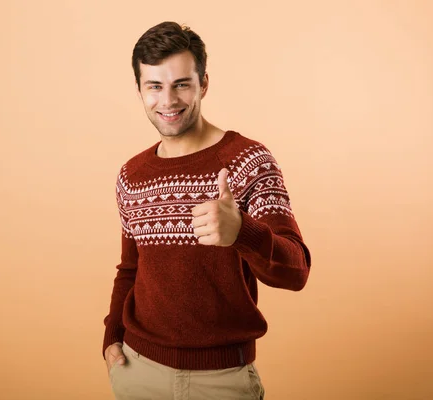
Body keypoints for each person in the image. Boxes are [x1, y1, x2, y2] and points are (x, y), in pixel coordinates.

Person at [102, 21, 312, 400]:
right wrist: (112, 335)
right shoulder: (131, 175)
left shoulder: (249, 160)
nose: (168, 100)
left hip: (221, 381)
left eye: (182, 83)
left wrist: (242, 232)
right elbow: (131, 268)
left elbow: (296, 270)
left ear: (204, 83)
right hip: (137, 372)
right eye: (154, 86)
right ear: (139, 90)